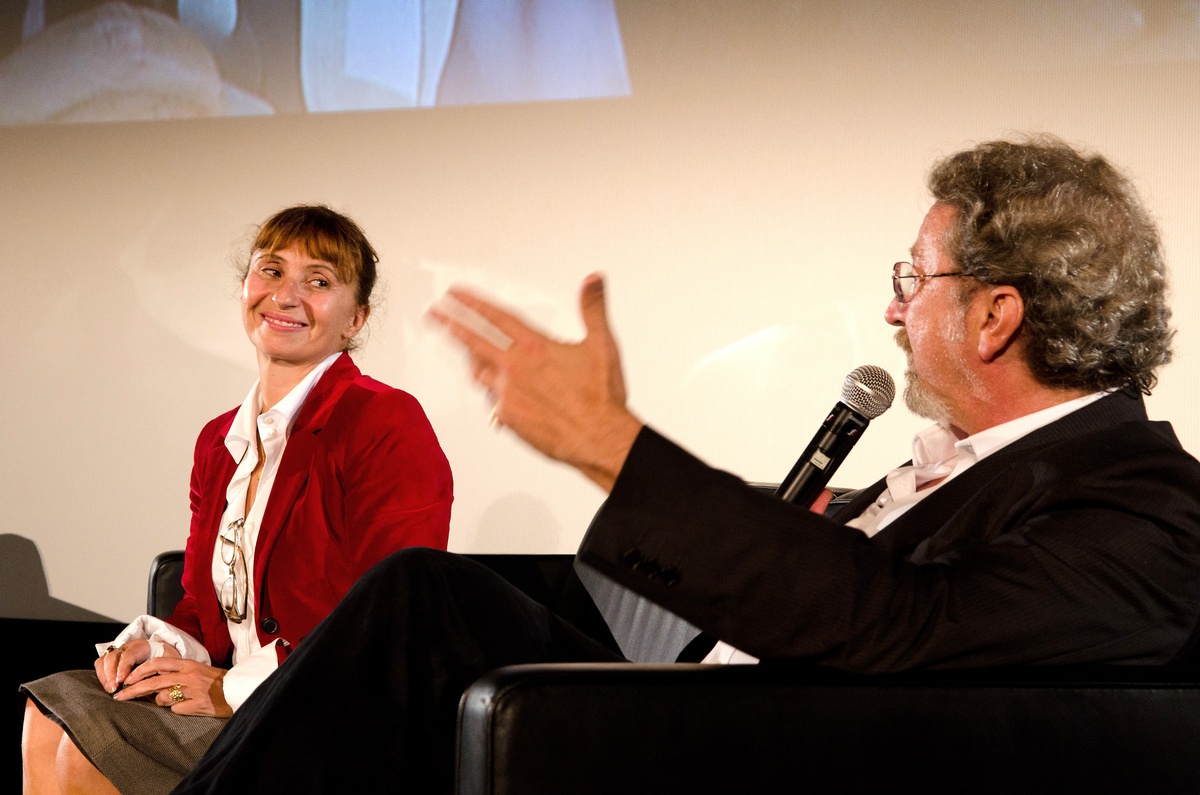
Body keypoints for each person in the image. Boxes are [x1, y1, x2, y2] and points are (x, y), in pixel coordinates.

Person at [171, 137, 1200, 793]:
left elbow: (902, 620)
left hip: (731, 757)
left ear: (995, 314)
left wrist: (611, 445)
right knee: (421, 597)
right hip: (691, 702)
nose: (892, 309)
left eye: (911, 280)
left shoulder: (1142, 502)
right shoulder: (984, 468)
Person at [20, 205, 453, 795]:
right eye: (271, 271)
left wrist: (227, 690)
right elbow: (205, 604)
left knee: (86, 752)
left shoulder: (384, 421)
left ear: (357, 319)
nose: (286, 295)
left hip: (331, 717)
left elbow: (390, 621)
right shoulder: (218, 441)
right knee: (47, 717)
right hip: (239, 704)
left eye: (319, 281)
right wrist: (157, 649)